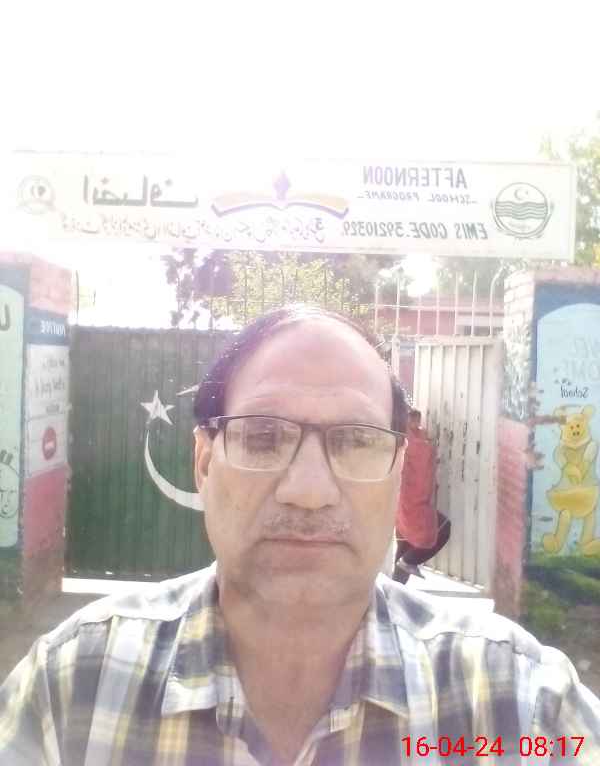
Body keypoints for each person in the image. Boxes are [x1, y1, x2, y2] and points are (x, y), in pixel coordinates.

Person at [1, 305, 599, 765]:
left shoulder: (520, 706)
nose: (309, 490)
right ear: (204, 463)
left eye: (357, 441)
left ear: (397, 472)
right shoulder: (75, 686)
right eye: (263, 437)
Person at [394, 408, 451, 580]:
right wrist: (429, 447)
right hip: (413, 504)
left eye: (418, 421)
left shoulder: (404, 438)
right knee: (443, 528)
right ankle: (409, 561)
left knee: (405, 546)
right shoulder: (409, 441)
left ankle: (394, 588)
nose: (417, 424)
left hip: (403, 506)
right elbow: (419, 457)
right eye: (413, 421)